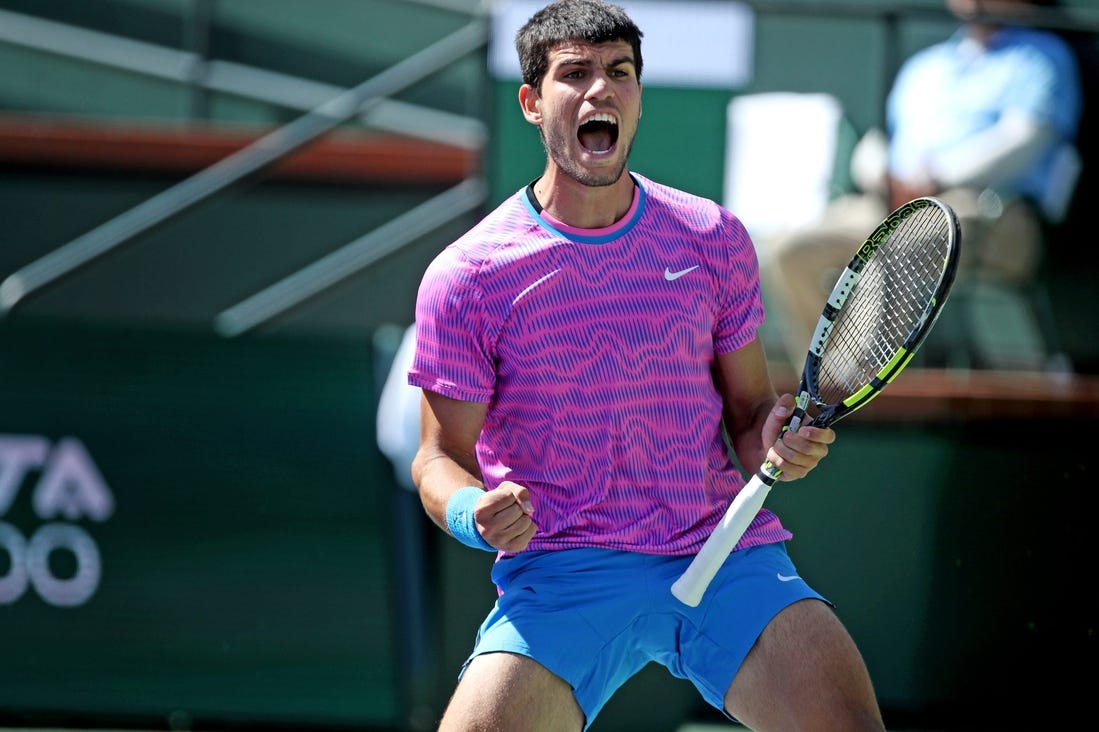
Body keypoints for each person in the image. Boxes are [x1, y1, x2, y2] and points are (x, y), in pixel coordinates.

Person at [406, 1, 885, 730]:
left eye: (619, 73)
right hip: (562, 575)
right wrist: (476, 512)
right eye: (575, 74)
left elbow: (750, 417)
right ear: (532, 103)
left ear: (636, 97)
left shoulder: (712, 238)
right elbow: (439, 458)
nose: (600, 90)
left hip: (719, 554)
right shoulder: (469, 275)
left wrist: (777, 440)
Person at [762, 0, 1083, 371]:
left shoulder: (1043, 57)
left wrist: (937, 177)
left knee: (894, 249)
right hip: (892, 204)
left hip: (993, 212)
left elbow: (1026, 139)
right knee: (788, 251)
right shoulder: (926, 65)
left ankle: (857, 390)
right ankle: (825, 384)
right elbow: (880, 140)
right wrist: (880, 172)